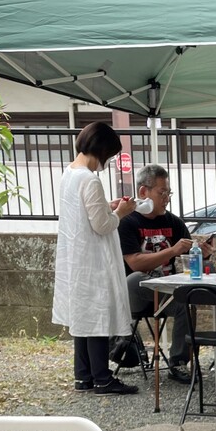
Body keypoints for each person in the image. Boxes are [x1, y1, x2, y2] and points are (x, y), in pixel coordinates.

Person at [51, 122, 139, 395]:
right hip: (93, 258)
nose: (107, 161)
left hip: (76, 256)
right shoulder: (89, 178)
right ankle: (102, 378)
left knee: (82, 318)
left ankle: (84, 376)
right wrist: (121, 212)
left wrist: (108, 205)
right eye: (108, 155)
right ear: (100, 150)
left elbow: (87, 212)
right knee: (97, 318)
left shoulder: (69, 173)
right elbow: (102, 225)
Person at [117, 163, 210, 385]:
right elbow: (134, 262)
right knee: (136, 279)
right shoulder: (127, 222)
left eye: (169, 192)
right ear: (143, 192)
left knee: (186, 301)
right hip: (136, 293)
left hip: (167, 291)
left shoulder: (173, 221)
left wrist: (202, 253)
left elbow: (188, 252)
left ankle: (179, 362)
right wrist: (173, 250)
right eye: (162, 192)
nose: (166, 198)